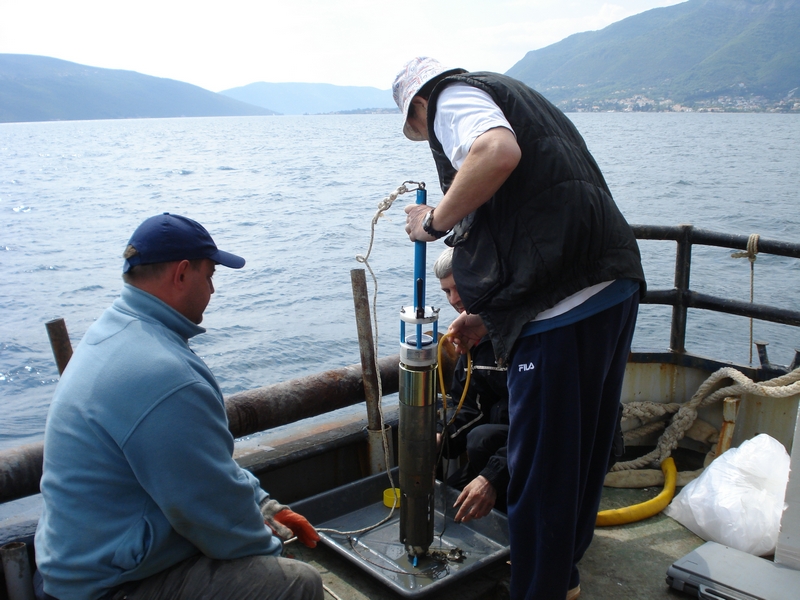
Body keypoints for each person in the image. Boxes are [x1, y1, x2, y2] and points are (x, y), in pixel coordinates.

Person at [393, 57, 645, 600]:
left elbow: (496, 153)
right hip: (609, 283)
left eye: (418, 130)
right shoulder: (515, 95)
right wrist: (493, 316)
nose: (427, 136)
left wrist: (433, 223)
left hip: (563, 308)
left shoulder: (451, 100)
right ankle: (564, 580)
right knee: (578, 454)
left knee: (538, 469)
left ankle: (538, 590)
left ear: (419, 106)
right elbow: (535, 220)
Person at [34, 213, 323, 600]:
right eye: (210, 276)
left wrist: (264, 506)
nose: (213, 290)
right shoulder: (161, 375)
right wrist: (272, 549)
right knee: (295, 584)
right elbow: (212, 511)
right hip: (106, 587)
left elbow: (200, 466)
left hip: (87, 563)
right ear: (182, 274)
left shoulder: (115, 331)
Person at [434, 247, 509, 522]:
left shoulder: (524, 332)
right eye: (446, 292)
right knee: (447, 507)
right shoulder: (471, 340)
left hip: (554, 441)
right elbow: (468, 406)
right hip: (507, 443)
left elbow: (548, 422)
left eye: (459, 287)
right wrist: (440, 437)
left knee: (482, 438)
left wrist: (491, 478)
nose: (454, 299)